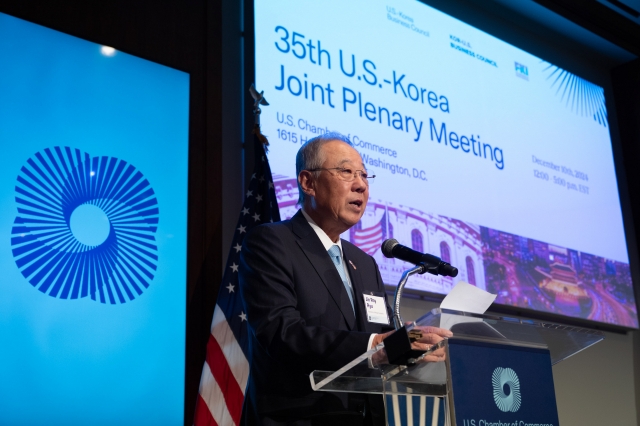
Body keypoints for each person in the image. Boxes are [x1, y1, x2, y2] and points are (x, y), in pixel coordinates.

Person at [239, 133, 451, 426]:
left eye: (364, 175)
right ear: (308, 182)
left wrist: (414, 345)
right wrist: (376, 346)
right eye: (346, 172)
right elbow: (280, 333)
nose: (361, 184)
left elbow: (384, 340)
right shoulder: (271, 242)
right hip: (298, 419)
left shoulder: (364, 263)